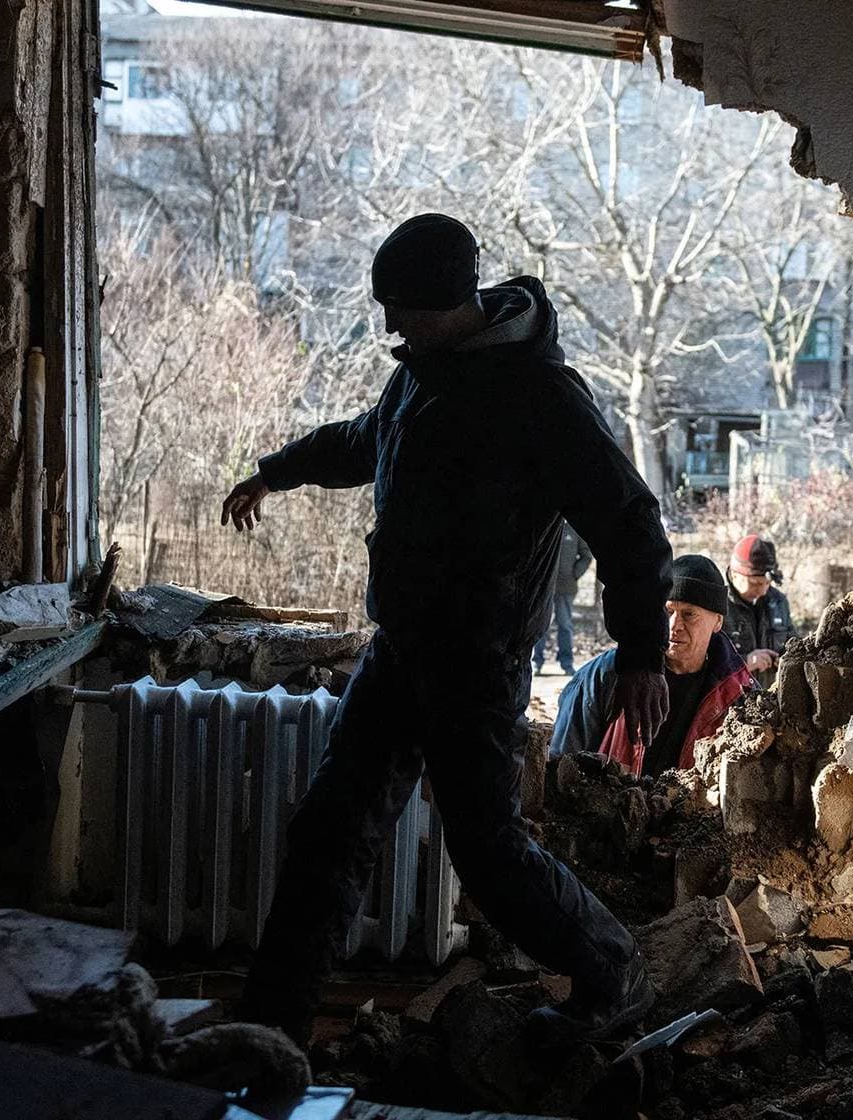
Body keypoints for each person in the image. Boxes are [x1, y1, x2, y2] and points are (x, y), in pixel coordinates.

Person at [218, 213, 671, 1048]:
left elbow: (628, 520)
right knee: (329, 832)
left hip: (478, 664)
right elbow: (364, 442)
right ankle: (268, 1030)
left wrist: (642, 650)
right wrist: (274, 474)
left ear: (448, 302)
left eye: (399, 309)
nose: (388, 326)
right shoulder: (420, 374)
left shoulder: (541, 396)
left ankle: (615, 971)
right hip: (400, 653)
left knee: (489, 853)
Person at [551, 555, 754, 776]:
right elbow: (561, 768)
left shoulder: (738, 693)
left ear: (718, 621)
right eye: (667, 612)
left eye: (689, 615)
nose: (674, 625)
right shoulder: (605, 676)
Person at [725, 533, 796, 682]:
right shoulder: (717, 606)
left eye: (767, 584)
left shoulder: (778, 602)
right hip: (733, 701)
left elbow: (793, 643)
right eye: (755, 584)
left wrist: (786, 659)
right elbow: (703, 663)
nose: (762, 591)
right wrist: (745, 662)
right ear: (734, 574)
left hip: (770, 699)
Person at [534, 521, 592, 675]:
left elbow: (586, 556)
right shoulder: (546, 523)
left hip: (566, 588)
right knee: (540, 625)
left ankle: (567, 664)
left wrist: (574, 574)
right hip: (544, 587)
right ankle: (536, 663)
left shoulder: (575, 527)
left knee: (565, 625)